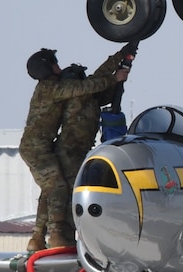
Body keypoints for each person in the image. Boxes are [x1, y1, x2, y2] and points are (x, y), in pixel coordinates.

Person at [19, 45, 136, 252]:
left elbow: (95, 81)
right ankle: (55, 235)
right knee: (58, 189)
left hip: (43, 147)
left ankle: (38, 238)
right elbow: (89, 86)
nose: (59, 66)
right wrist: (114, 78)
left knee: (51, 190)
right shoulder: (52, 89)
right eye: (55, 63)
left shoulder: (54, 88)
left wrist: (122, 55)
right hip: (38, 148)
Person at [52, 49, 134, 245]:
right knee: (72, 194)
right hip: (69, 151)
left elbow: (100, 82)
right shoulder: (75, 94)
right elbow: (97, 81)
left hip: (81, 151)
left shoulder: (89, 97)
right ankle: (65, 238)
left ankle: (70, 237)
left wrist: (122, 62)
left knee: (75, 192)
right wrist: (116, 77)